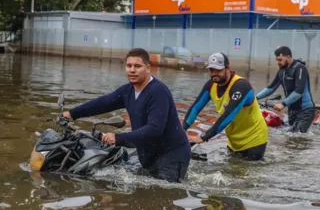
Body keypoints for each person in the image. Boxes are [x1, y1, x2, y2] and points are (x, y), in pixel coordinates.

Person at [61, 48, 191, 183]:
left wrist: (118, 138)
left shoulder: (158, 92)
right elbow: (102, 103)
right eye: (129, 66)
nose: (132, 70)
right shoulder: (127, 91)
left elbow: (155, 129)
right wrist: (71, 114)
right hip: (148, 153)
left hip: (172, 155)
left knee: (161, 198)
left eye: (137, 66)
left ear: (148, 68)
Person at [184, 52, 268, 161]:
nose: (214, 74)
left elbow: (228, 116)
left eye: (218, 70)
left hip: (254, 140)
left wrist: (203, 137)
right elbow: (195, 108)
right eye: (211, 70)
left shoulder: (241, 86)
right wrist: (181, 131)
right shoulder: (211, 85)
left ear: (228, 68)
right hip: (234, 141)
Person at [256, 46, 315, 133]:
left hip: (305, 110)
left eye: (280, 60)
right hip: (292, 111)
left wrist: (283, 104)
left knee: (298, 137)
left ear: (288, 57)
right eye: (277, 60)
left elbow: (299, 91)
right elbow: (271, 88)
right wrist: (254, 98)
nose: (278, 62)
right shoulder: (281, 71)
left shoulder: (300, 68)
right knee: (289, 137)